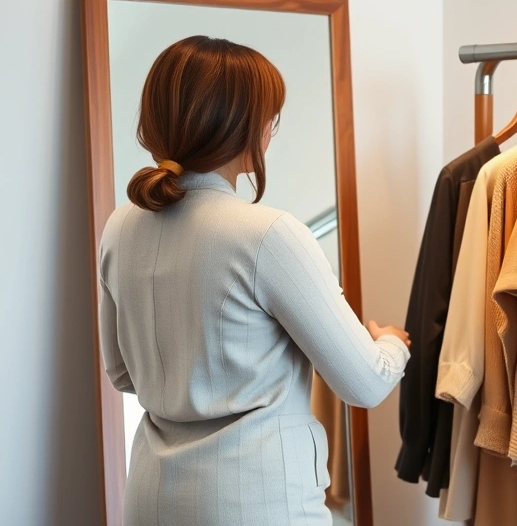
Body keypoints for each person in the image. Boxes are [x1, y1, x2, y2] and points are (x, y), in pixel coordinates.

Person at [98, 35, 411, 525]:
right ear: (238, 126)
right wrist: (391, 344)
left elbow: (122, 374)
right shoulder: (268, 235)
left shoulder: (120, 226)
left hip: (151, 499)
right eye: (269, 117)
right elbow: (365, 384)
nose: (270, 130)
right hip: (254, 504)